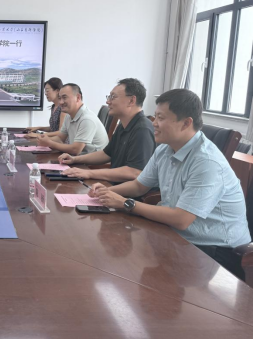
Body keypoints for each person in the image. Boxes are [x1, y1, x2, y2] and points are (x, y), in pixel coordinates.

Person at [89, 89, 251, 280]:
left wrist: (126, 203)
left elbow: (182, 219)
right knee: (113, 258)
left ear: (186, 123)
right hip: (178, 236)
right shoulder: (165, 149)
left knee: (127, 268)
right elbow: (140, 186)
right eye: (155, 116)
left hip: (217, 251)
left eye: (161, 118)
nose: (154, 123)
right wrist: (106, 191)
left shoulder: (207, 162)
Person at [58, 78, 155, 183]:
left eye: (113, 97)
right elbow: (106, 154)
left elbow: (134, 172)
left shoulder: (142, 129)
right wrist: (74, 159)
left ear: (131, 101)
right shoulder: (123, 125)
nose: (108, 101)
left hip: (125, 191)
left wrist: (89, 173)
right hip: (112, 185)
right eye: (109, 97)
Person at [36, 83, 109, 155]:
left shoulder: (87, 119)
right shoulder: (68, 115)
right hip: (77, 158)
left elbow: (76, 150)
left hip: (91, 161)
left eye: (64, 97)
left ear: (78, 97)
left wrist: (50, 143)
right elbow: (60, 138)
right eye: (59, 98)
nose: (60, 102)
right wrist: (43, 139)